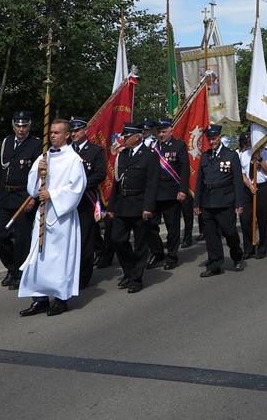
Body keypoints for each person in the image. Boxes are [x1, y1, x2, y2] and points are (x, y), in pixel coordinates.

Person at [18, 119, 86, 317]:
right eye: (51, 132)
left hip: (62, 217)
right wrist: (38, 173)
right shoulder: (44, 157)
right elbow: (32, 189)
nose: (52, 136)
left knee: (59, 259)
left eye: (57, 132)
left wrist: (53, 194)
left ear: (67, 135)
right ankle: (39, 299)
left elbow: (77, 188)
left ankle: (60, 299)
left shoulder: (74, 160)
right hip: (43, 214)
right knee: (39, 258)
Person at [106, 123, 159, 294]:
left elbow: (152, 184)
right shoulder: (123, 155)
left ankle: (136, 279)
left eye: (127, 136)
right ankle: (129, 271)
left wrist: (148, 207)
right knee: (117, 239)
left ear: (137, 137)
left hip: (140, 203)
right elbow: (117, 183)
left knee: (141, 244)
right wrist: (111, 206)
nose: (124, 139)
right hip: (122, 203)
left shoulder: (149, 156)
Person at [0, 111, 42, 290]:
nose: (21, 129)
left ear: (30, 126)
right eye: (18, 125)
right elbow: (3, 170)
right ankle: (11, 267)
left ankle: (20, 273)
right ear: (13, 125)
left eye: (24, 126)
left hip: (24, 197)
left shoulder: (36, 144)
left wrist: (32, 197)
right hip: (6, 196)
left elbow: (39, 174)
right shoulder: (7, 142)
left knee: (22, 237)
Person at [195, 124, 246, 276]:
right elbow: (199, 182)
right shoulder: (205, 156)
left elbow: (238, 181)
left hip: (225, 200)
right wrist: (196, 202)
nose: (212, 142)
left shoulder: (231, 155)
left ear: (219, 137)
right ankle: (214, 265)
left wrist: (239, 203)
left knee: (230, 232)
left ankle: (237, 256)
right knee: (211, 236)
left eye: (214, 139)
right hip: (208, 201)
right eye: (209, 139)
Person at [147, 117, 191, 270]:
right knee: (150, 225)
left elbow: (184, 169)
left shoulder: (179, 146)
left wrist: (183, 189)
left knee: (172, 228)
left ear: (171, 130)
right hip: (154, 193)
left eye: (164, 131)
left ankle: (172, 256)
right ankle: (157, 253)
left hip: (171, 192)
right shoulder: (152, 146)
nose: (161, 135)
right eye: (159, 132)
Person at [68, 116, 106, 289]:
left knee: (85, 241)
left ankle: (83, 276)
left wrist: (80, 186)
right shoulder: (66, 151)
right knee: (70, 241)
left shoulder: (95, 151)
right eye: (72, 131)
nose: (74, 134)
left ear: (85, 130)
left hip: (85, 201)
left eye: (77, 130)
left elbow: (100, 174)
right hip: (68, 203)